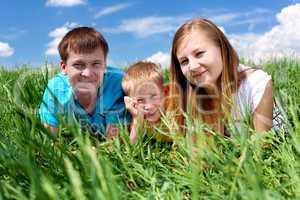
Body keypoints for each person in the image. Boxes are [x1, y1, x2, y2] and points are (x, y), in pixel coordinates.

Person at [167, 18, 273, 137]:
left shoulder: (256, 83)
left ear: (222, 48)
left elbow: (262, 147)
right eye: (184, 61)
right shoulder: (189, 97)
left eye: (199, 54)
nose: (192, 67)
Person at [39, 27, 130, 140]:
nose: (87, 73)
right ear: (64, 67)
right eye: (78, 65)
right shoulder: (56, 89)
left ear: (105, 64)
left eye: (96, 64)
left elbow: (114, 144)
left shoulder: (118, 84)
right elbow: (49, 142)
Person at [122, 61, 170, 143]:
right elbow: (133, 147)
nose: (149, 106)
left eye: (154, 96)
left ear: (165, 92)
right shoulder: (139, 118)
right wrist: (137, 118)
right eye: (140, 100)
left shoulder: (173, 109)